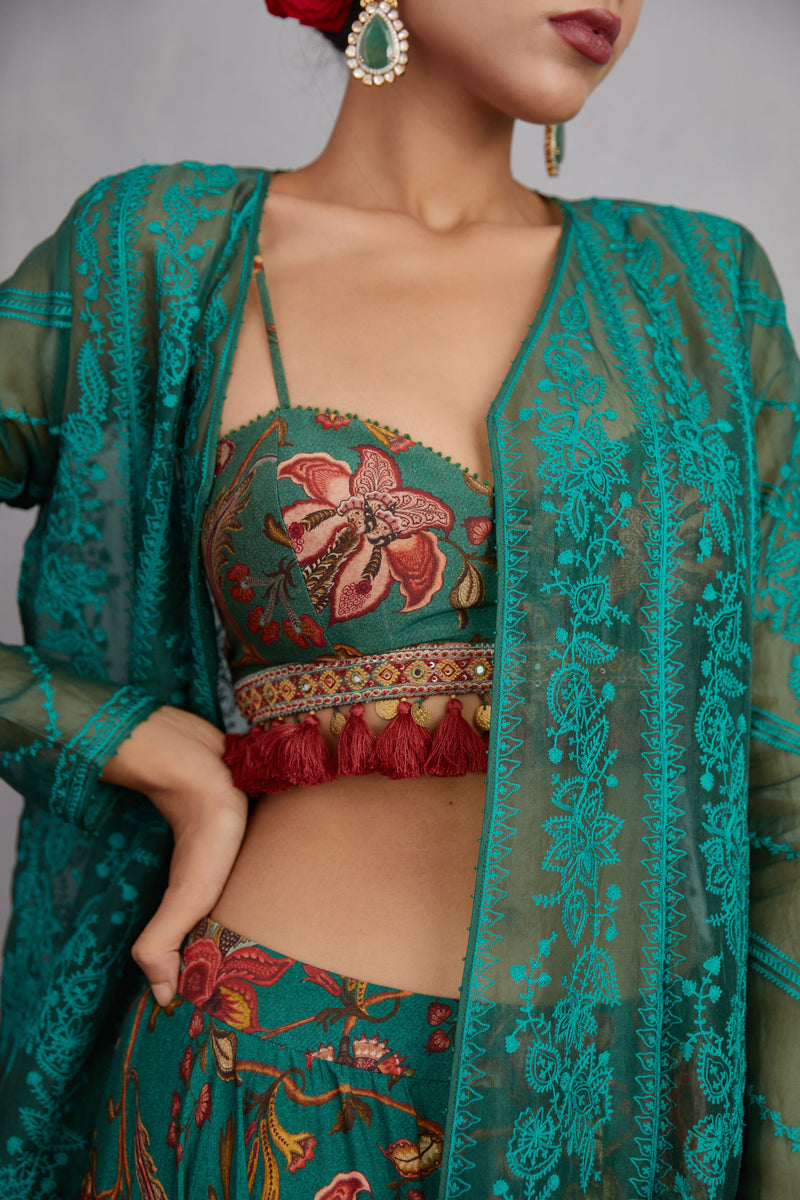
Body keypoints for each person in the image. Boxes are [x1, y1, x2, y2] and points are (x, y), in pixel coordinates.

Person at [1, 0, 798, 1196]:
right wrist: (130, 742)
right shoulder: (156, 253)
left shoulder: (701, 295)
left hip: (627, 1127)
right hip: (275, 1086)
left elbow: (778, 789)